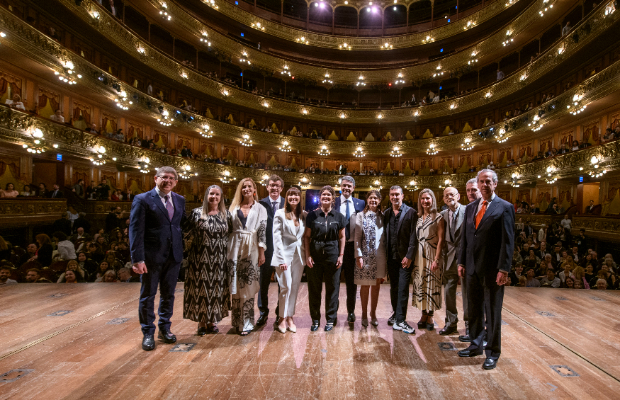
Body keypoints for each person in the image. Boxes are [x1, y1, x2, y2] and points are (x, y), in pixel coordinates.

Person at [457, 169, 515, 370]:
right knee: (474, 310)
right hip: (472, 267)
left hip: (493, 270)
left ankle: (492, 352)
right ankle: (475, 344)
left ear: (495, 184)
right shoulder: (471, 207)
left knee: (492, 312)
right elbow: (465, 238)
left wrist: (504, 269)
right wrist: (461, 262)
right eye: (481, 181)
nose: (484, 185)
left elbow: (508, 242)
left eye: (488, 181)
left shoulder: (505, 207)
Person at [129, 166, 186, 351]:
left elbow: (180, 225)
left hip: (173, 255)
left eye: (172, 178)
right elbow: (136, 230)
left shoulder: (180, 199)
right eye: (164, 177)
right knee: (148, 295)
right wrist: (138, 258)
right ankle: (147, 332)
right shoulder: (142, 199)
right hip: (151, 257)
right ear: (156, 178)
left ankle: (165, 328)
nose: (168, 180)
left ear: (176, 182)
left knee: (169, 295)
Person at [183, 185, 232, 336]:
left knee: (216, 290)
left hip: (220, 259)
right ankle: (201, 322)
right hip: (200, 259)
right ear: (206, 195)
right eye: (211, 194)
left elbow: (231, 235)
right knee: (201, 290)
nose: (214, 197)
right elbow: (185, 233)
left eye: (217, 194)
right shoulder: (197, 213)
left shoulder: (226, 214)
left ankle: (213, 321)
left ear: (221, 197)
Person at [226, 178, 267, 336]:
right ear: (240, 190)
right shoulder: (234, 207)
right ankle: (237, 321)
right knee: (235, 285)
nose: (247, 189)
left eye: (250, 186)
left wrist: (262, 252)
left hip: (252, 247)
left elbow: (262, 230)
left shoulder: (260, 208)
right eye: (244, 187)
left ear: (254, 189)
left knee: (248, 285)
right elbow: (228, 229)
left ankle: (248, 322)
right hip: (234, 247)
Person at [303, 185, 346, 332]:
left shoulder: (339, 217)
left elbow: (342, 237)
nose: (326, 197)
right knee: (314, 289)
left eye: (329, 195)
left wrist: (341, 255)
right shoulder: (312, 216)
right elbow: (307, 237)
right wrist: (307, 255)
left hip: (332, 256)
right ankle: (315, 319)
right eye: (323, 195)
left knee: (332, 289)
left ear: (333, 199)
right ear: (320, 198)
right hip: (315, 256)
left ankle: (330, 318)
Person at [383, 185, 418, 334]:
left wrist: (409, 256)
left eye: (397, 194)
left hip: (405, 258)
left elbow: (413, 236)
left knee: (403, 289)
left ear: (402, 196)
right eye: (392, 195)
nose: (394, 197)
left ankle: (401, 320)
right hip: (391, 257)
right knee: (394, 288)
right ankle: (396, 314)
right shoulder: (386, 213)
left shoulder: (411, 212)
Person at [272, 186, 306, 334]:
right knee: (286, 287)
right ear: (286, 197)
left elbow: (303, 237)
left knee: (295, 287)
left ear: (300, 198)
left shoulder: (303, 215)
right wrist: (281, 259)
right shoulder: (280, 213)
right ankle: (281, 318)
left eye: (296, 195)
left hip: (299, 256)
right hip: (284, 257)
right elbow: (277, 238)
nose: (293, 197)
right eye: (290, 195)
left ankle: (290, 317)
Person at [413, 189, 445, 331]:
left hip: (432, 254)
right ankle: (423, 314)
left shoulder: (438, 217)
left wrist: (437, 259)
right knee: (421, 284)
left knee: (432, 285)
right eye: (423, 198)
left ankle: (431, 315)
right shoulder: (418, 218)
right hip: (419, 256)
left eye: (428, 198)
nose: (425, 201)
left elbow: (441, 240)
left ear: (433, 200)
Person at [334, 176, 365, 324]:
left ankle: (351, 311)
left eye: (349, 186)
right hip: (336, 247)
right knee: (334, 281)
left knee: (352, 283)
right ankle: (332, 312)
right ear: (340, 186)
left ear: (353, 188)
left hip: (353, 247)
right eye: (344, 186)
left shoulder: (360, 203)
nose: (346, 188)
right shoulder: (333, 202)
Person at [353, 190, 386, 327]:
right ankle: (364, 314)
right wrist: (358, 255)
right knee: (365, 285)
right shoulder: (361, 216)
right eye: (371, 198)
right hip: (365, 255)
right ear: (367, 200)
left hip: (380, 256)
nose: (373, 200)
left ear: (379, 201)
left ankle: (373, 313)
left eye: (376, 198)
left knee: (377, 285)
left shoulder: (383, 216)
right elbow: (357, 238)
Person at [256, 175, 284, 327]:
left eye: (277, 185)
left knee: (282, 283)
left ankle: (280, 313)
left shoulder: (288, 203)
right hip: (265, 250)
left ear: (281, 188)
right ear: (267, 187)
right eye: (271, 185)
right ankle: (263, 313)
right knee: (263, 283)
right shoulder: (260, 204)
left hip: (282, 251)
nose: (274, 188)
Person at [439, 186, 466, 336]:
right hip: (449, 257)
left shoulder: (468, 211)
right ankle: (451, 323)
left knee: (467, 293)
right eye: (446, 196)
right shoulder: (442, 214)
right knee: (449, 292)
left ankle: (469, 325)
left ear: (458, 196)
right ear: (443, 199)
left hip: (465, 258)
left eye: (452, 194)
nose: (449, 197)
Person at [459, 178, 482, 342]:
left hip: (485, 263)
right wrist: (461, 262)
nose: (471, 193)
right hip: (469, 262)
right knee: (469, 298)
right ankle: (471, 330)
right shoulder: (468, 209)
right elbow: (464, 239)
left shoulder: (491, 207)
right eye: (468, 190)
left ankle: (484, 332)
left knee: (485, 301)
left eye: (473, 190)